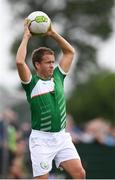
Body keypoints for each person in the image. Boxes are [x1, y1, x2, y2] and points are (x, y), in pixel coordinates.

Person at [16, 18, 86, 180]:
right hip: (41, 140)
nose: (52, 65)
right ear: (37, 65)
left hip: (61, 137)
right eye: (47, 62)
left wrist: (52, 33)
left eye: (53, 62)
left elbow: (70, 52)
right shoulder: (31, 83)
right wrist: (26, 36)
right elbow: (20, 61)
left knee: (80, 173)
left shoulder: (58, 76)